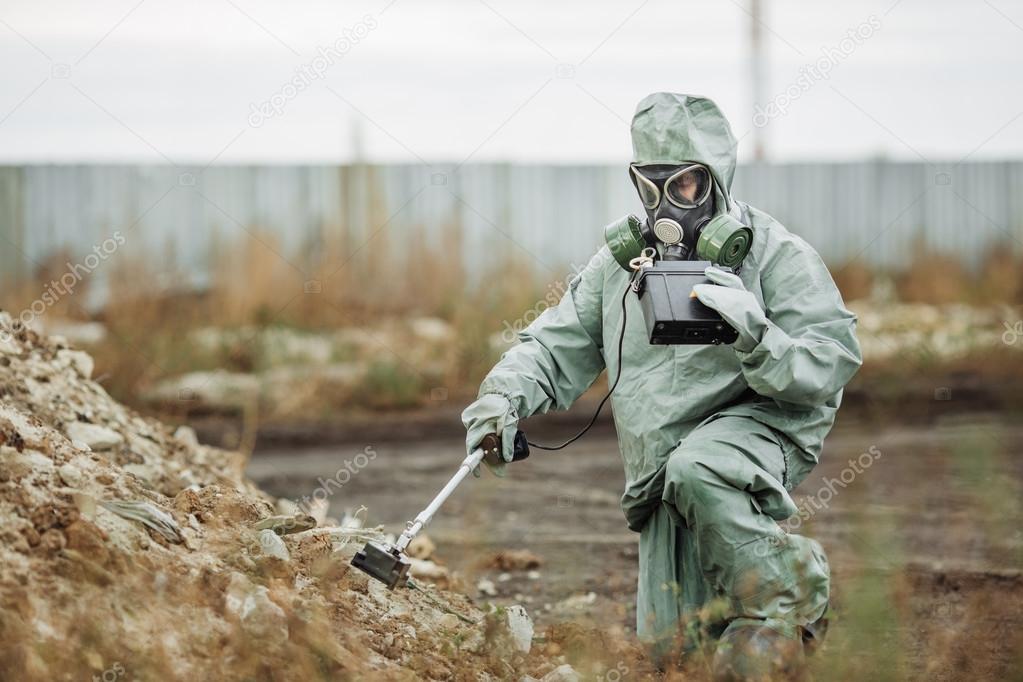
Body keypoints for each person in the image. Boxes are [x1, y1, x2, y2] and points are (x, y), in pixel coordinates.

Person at [461, 92, 862, 679]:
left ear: (716, 181)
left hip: (759, 428)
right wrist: (503, 397)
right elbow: (553, 344)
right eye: (650, 187)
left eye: (685, 186)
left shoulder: (775, 255)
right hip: (660, 465)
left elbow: (831, 357)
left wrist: (756, 333)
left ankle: (791, 595)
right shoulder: (619, 269)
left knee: (701, 469)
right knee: (674, 654)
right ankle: (751, 625)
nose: (666, 204)